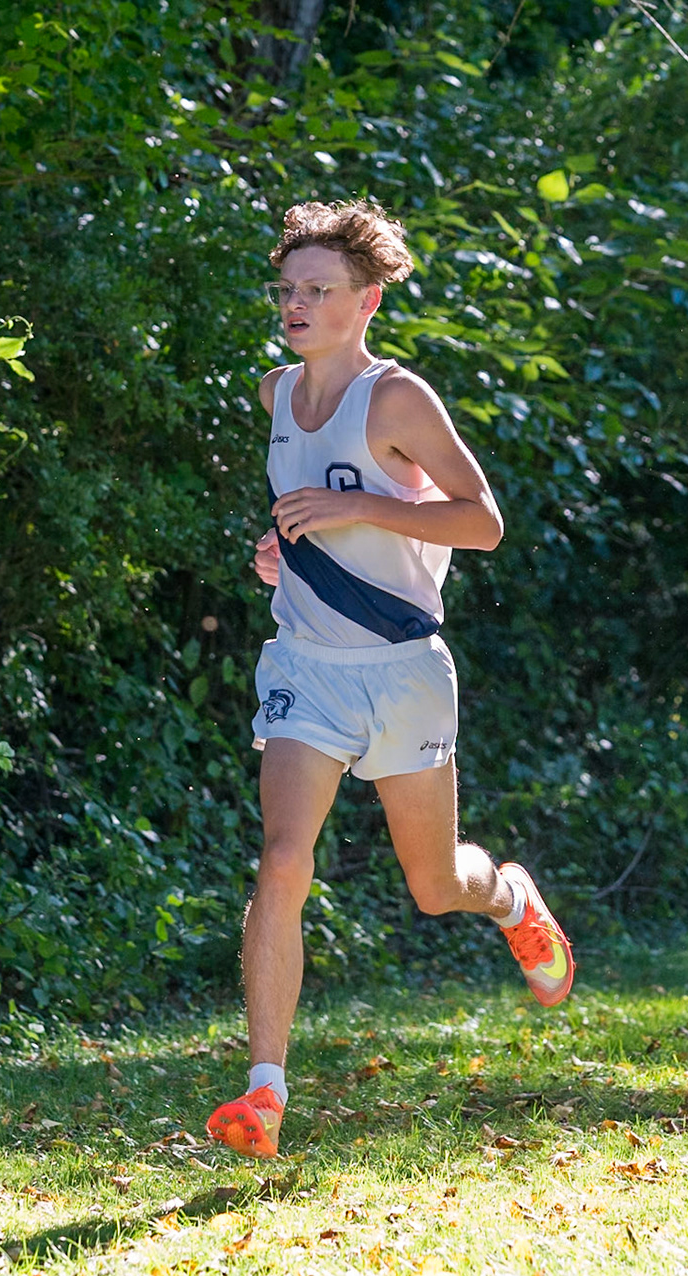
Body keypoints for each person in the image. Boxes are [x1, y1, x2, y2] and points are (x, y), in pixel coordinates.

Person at [207, 200, 574, 1159]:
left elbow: (482, 522)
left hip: (404, 672)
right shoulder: (275, 395)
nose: (296, 305)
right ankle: (264, 1094)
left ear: (366, 302)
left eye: (319, 290)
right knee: (282, 859)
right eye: (288, 288)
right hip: (306, 668)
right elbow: (309, 520)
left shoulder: (398, 400)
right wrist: (283, 554)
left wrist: (360, 508)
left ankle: (510, 899)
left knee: (434, 885)